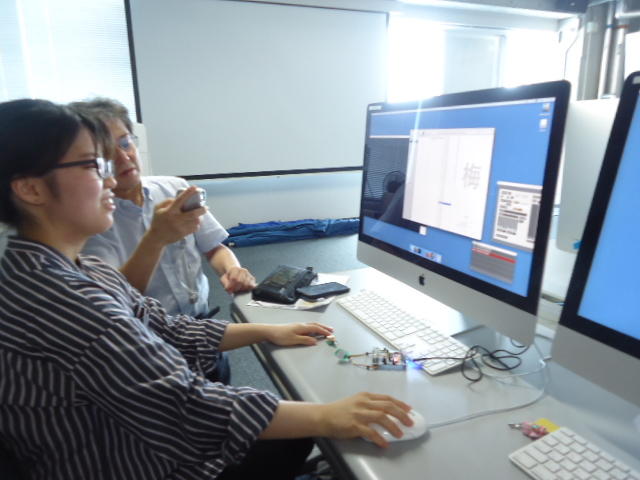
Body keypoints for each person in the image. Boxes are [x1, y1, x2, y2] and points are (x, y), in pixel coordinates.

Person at [0, 99, 414, 480]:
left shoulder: (72, 267)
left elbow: (166, 328)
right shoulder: (63, 301)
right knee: (308, 429)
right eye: (93, 165)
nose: (110, 178)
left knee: (292, 428)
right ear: (30, 189)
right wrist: (327, 416)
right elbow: (185, 408)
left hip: (144, 434)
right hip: (131, 462)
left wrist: (267, 330)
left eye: (120, 149)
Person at [70, 98, 254, 320]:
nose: (123, 157)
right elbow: (117, 298)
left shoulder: (174, 188)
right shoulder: (93, 222)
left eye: (125, 143)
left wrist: (232, 270)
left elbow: (214, 247)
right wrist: (156, 239)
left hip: (202, 320)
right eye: (106, 152)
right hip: (146, 330)